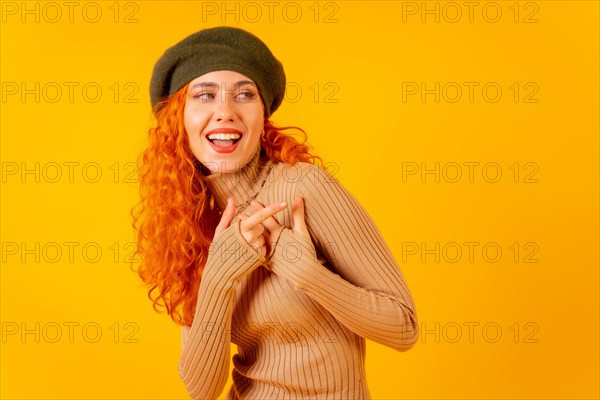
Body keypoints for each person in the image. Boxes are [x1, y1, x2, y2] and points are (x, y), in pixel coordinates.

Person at [132, 26, 419, 400]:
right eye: (205, 95)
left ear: (261, 115)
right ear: (179, 119)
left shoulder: (305, 189)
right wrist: (219, 270)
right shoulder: (193, 220)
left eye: (244, 95)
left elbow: (403, 327)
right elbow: (202, 390)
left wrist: (307, 273)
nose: (225, 112)